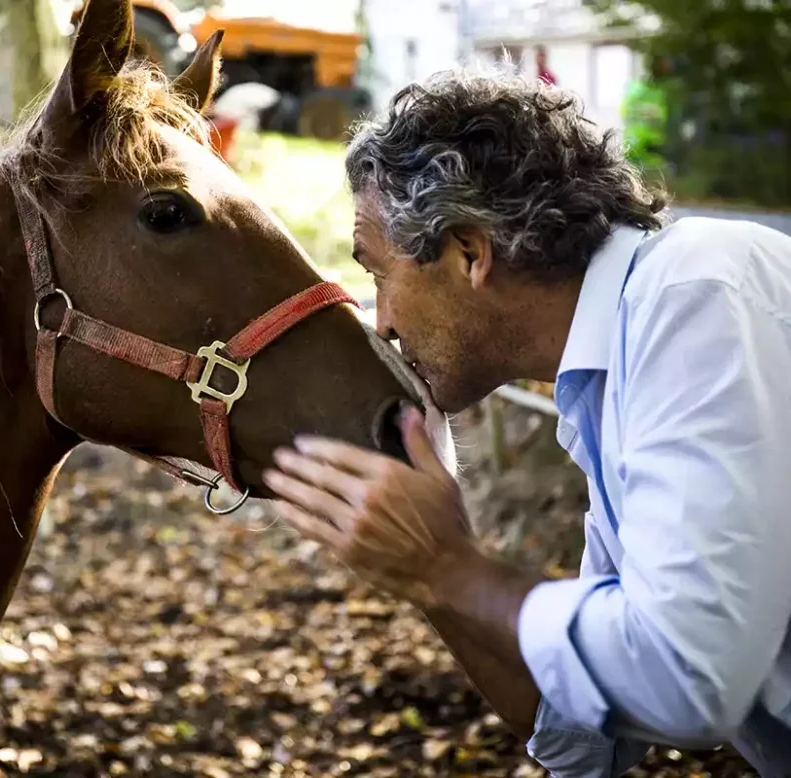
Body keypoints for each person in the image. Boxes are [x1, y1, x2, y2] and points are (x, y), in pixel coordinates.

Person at [262, 67, 791, 777]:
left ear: (470, 253)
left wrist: (448, 567)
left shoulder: (699, 289)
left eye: (378, 273)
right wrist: (422, 572)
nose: (382, 322)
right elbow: (584, 736)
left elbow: (686, 681)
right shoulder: (604, 383)